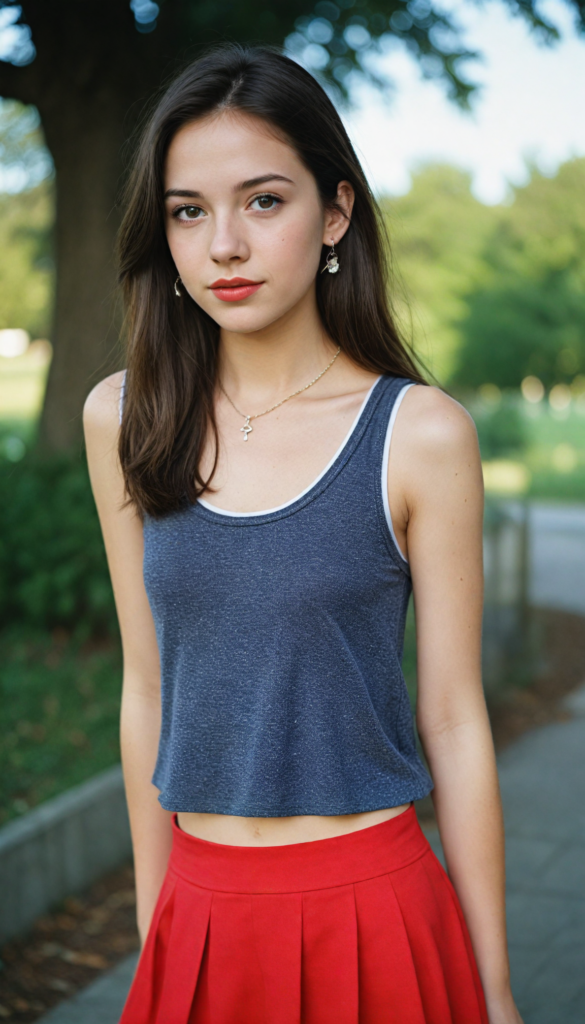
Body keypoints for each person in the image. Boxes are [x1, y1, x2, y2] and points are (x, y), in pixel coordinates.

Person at [84, 44, 523, 1024]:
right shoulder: (123, 418)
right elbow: (147, 687)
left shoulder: (421, 435)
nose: (223, 245)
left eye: (263, 200)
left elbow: (455, 721)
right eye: (187, 210)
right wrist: (159, 927)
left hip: (373, 912)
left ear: (334, 211)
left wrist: (493, 988)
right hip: (199, 915)